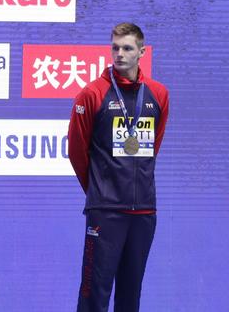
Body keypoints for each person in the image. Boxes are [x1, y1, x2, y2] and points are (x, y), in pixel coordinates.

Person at [68, 22, 170, 312]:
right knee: (93, 294)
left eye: (127, 48)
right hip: (106, 211)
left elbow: (151, 151)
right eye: (115, 48)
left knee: (130, 295)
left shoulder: (159, 94)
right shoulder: (92, 94)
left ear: (142, 52)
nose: (120, 54)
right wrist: (100, 190)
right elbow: (76, 151)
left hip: (144, 212)